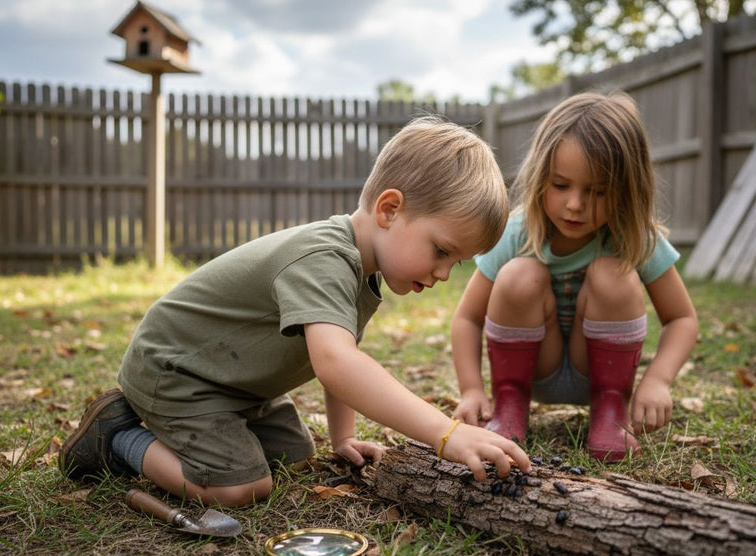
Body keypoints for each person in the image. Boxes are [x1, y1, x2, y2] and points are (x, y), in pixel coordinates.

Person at [59, 116, 532, 506]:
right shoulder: (324, 259)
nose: (445, 273)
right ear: (389, 209)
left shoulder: (361, 270)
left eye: (456, 262)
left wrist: (342, 439)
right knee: (241, 488)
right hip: (176, 371)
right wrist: (446, 434)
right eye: (441, 251)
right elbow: (337, 363)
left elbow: (341, 358)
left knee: (293, 457)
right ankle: (117, 438)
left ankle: (191, 435)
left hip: (235, 383)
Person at [451, 91, 698, 462]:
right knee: (519, 273)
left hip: (603, 376)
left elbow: (682, 319)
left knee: (612, 272)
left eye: (597, 191)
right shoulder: (516, 232)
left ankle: (610, 411)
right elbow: (467, 318)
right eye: (561, 185)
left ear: (627, 189)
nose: (575, 204)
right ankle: (509, 405)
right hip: (532, 370)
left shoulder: (634, 237)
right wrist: (472, 390)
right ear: (540, 176)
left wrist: (658, 381)